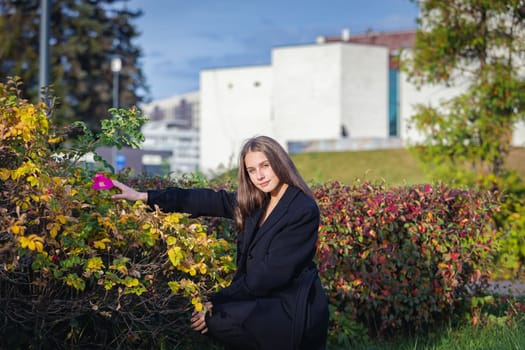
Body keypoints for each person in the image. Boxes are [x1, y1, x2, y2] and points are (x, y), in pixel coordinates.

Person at [111, 135, 329, 350]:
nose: (260, 176)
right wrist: (145, 197)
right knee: (216, 317)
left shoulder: (302, 209)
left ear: (279, 162)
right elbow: (205, 200)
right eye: (252, 171)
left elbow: (269, 275)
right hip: (259, 301)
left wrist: (215, 300)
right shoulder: (257, 201)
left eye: (265, 165)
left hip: (288, 307)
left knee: (217, 318)